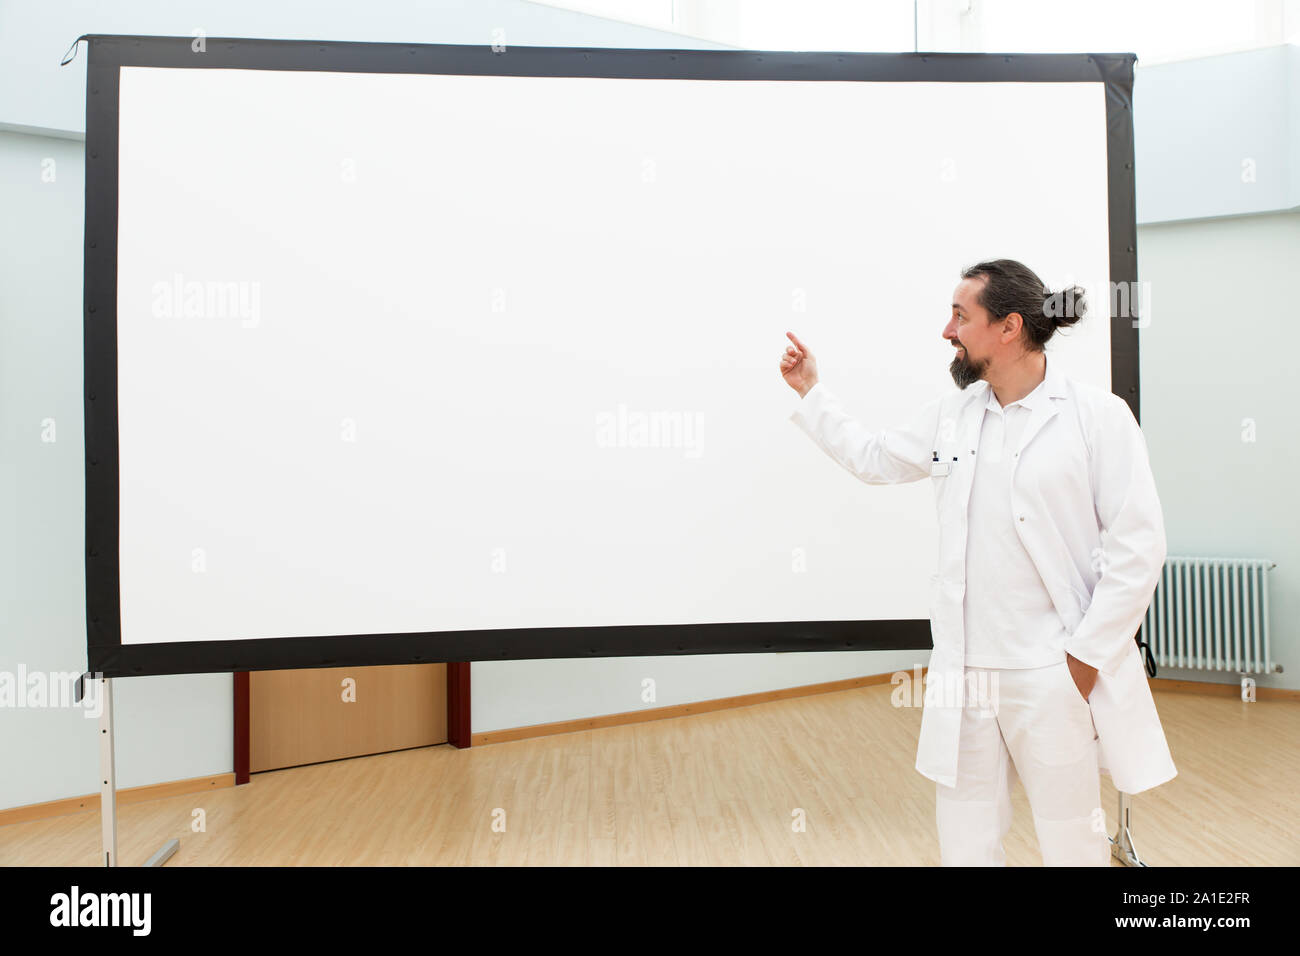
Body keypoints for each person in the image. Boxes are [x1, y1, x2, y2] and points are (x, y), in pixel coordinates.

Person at [780, 259, 1176, 866]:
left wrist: (1084, 659)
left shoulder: (1097, 417)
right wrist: (813, 390)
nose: (947, 330)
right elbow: (872, 457)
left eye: (961, 316)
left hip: (1054, 674)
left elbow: (1139, 546)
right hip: (966, 676)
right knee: (965, 848)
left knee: (1072, 842)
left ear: (1009, 327)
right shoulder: (953, 416)